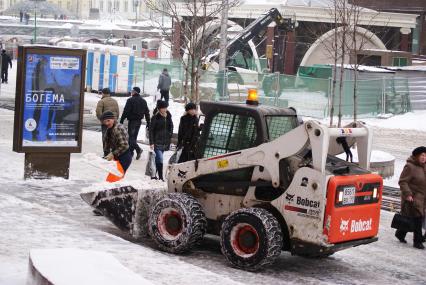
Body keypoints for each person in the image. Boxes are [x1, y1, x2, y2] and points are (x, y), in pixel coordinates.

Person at [395, 146, 426, 249]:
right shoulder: (410, 166)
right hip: (412, 198)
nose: (424, 157)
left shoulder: (424, 167)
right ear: (417, 155)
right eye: (422, 155)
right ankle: (417, 242)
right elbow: (403, 181)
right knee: (417, 219)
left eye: (425, 156)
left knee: (410, 218)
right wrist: (408, 194)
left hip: (422, 198)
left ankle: (400, 233)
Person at [120, 86, 150, 160]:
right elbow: (147, 112)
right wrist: (148, 122)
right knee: (134, 138)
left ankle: (138, 149)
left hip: (132, 121)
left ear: (135, 92)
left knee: (130, 138)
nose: (131, 92)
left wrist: (122, 119)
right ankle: (131, 152)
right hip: (139, 122)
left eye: (132, 91)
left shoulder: (130, 100)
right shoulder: (143, 101)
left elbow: (126, 111)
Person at [149, 100, 173, 181]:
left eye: (165, 108)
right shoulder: (155, 117)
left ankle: (153, 175)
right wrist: (151, 142)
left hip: (165, 141)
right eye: (163, 108)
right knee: (160, 158)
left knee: (158, 159)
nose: (164, 109)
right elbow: (151, 130)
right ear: (159, 108)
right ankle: (161, 177)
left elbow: (171, 127)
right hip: (157, 141)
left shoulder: (168, 116)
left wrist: (170, 135)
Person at [96, 88, 120, 156]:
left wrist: (103, 121)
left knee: (105, 138)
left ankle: (106, 153)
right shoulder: (115, 101)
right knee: (114, 137)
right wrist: (114, 120)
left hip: (105, 124)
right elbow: (117, 112)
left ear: (103, 93)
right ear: (109, 93)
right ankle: (113, 153)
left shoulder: (101, 101)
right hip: (114, 122)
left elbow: (98, 113)